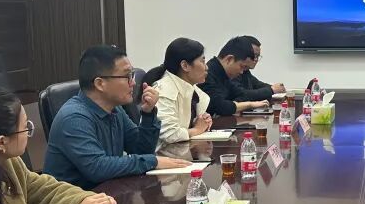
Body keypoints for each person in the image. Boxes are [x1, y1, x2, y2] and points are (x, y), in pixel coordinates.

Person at [44, 45, 189, 186]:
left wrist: (148, 113)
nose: (133, 83)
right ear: (100, 84)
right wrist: (153, 161)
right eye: (127, 76)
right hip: (76, 200)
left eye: (132, 75)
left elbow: (141, 150)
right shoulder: (74, 118)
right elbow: (98, 168)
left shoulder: (115, 109)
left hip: (108, 192)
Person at [143, 37, 214, 145]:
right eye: (202, 61)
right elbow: (169, 134)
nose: (206, 67)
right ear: (185, 66)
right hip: (163, 152)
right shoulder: (163, 90)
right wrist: (196, 130)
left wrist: (200, 121)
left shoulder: (192, 90)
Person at [201, 36, 270, 116]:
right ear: (229, 59)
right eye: (242, 66)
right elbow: (220, 106)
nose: (241, 72)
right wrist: (250, 104)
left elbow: (240, 93)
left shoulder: (223, 74)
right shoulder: (207, 74)